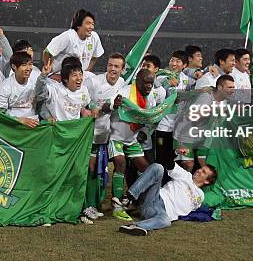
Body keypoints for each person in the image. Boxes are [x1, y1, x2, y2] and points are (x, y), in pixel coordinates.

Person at [109, 68, 164, 221]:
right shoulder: (125, 92)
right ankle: (117, 205)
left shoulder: (150, 99)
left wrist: (145, 132)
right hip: (116, 136)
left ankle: (135, 200)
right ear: (137, 81)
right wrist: (115, 104)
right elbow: (109, 105)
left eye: (151, 83)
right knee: (121, 163)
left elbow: (152, 118)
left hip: (132, 139)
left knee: (146, 169)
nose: (148, 86)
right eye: (146, 83)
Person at [115, 160, 217, 236]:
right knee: (158, 167)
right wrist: (175, 152)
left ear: (207, 181)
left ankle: (134, 226)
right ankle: (129, 197)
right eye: (200, 168)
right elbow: (169, 163)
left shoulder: (201, 196)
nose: (199, 170)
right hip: (154, 198)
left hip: (161, 213)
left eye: (203, 172)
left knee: (166, 222)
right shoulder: (186, 176)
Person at [82, 53, 126, 223]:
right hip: (88, 133)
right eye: (110, 65)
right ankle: (86, 206)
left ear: (122, 69)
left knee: (99, 172)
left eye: (116, 66)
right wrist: (92, 106)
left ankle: (94, 205)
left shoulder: (122, 84)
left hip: (104, 135)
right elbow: (82, 99)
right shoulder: (94, 82)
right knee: (90, 169)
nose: (112, 69)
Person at [174, 74, 236, 171]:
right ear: (220, 88)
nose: (232, 90)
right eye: (229, 87)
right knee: (188, 165)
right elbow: (190, 115)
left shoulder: (224, 100)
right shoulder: (205, 97)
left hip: (202, 137)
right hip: (185, 135)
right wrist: (212, 109)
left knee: (205, 165)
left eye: (233, 87)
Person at [154, 50, 193, 168]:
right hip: (163, 125)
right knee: (161, 159)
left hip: (178, 127)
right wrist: (167, 83)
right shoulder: (161, 76)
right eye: (172, 60)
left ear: (185, 65)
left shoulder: (186, 79)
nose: (173, 63)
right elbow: (154, 88)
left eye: (178, 61)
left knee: (174, 159)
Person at [42, 9, 104, 73]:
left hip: (79, 76)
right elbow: (47, 52)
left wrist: (87, 71)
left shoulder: (94, 37)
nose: (91, 27)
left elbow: (95, 56)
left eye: (93, 24)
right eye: (88, 23)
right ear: (78, 25)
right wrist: (50, 72)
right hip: (59, 77)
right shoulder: (68, 37)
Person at [0, 51, 40, 128]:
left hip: (34, 124)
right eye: (24, 65)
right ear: (14, 66)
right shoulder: (5, 87)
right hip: (13, 126)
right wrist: (19, 120)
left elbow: (43, 100)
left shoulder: (35, 82)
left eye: (30, 64)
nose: (28, 68)